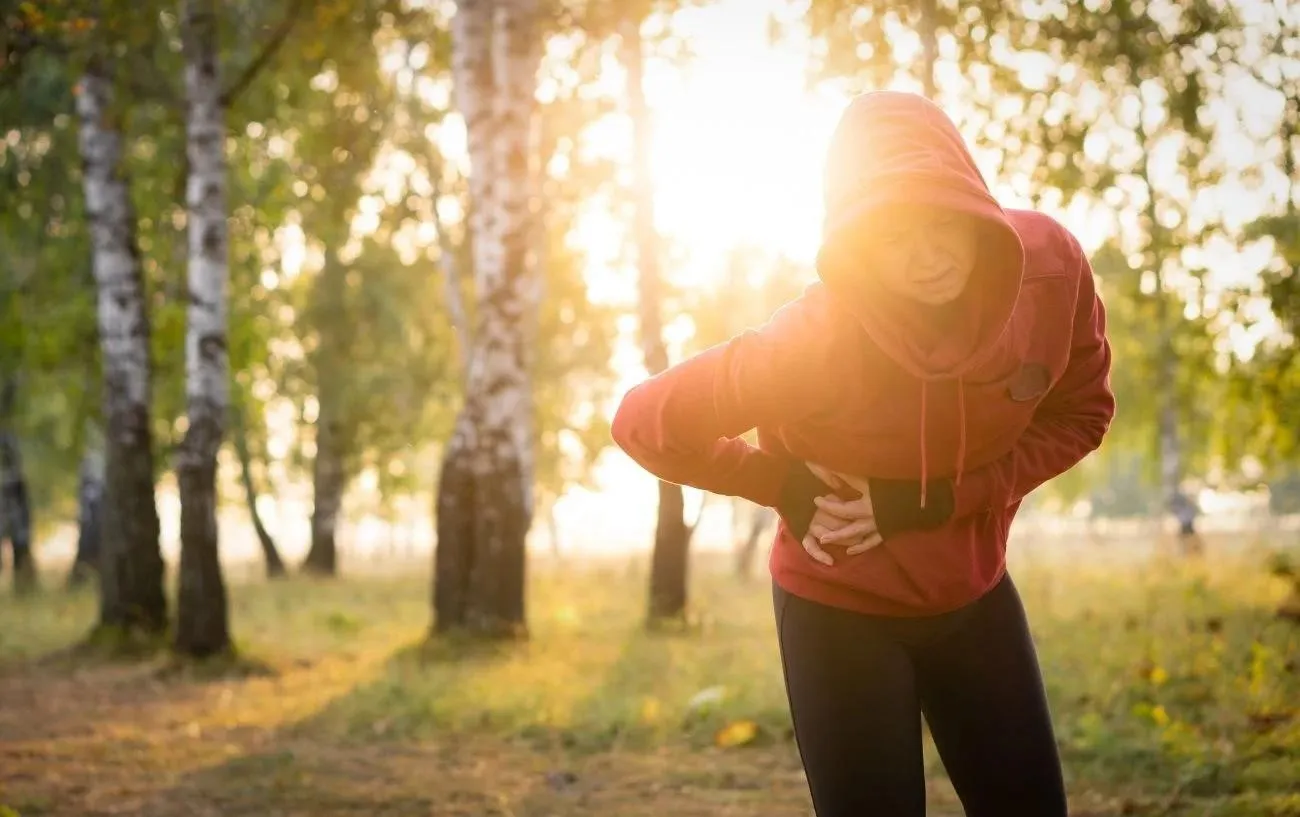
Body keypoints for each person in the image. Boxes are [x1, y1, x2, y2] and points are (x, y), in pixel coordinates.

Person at [611, 91, 1115, 817]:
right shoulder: (813, 342)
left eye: (945, 222)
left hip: (973, 594)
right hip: (838, 609)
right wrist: (779, 481)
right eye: (894, 235)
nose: (929, 255)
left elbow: (1084, 411)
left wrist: (937, 499)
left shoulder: (1050, 272)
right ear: (854, 244)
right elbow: (641, 420)